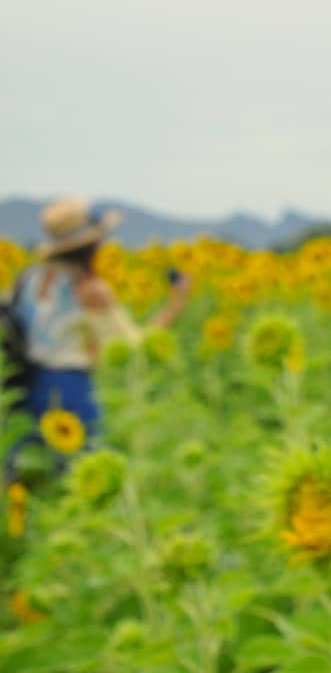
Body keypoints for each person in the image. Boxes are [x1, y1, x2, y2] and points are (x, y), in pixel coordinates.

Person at [4, 198, 191, 478]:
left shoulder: (28, 278)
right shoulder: (90, 288)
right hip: (70, 388)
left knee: (26, 471)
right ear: (92, 245)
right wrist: (177, 302)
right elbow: (133, 344)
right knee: (82, 471)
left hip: (27, 384)